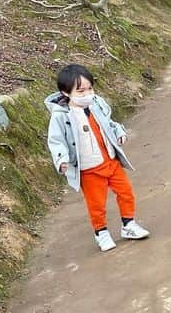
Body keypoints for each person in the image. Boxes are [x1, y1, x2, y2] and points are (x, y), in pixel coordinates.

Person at [45, 64, 149, 252]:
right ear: (66, 92)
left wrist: (119, 131)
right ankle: (101, 233)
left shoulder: (97, 105)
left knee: (126, 193)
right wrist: (61, 160)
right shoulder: (61, 116)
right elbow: (56, 140)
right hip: (89, 169)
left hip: (110, 160)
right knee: (96, 204)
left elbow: (109, 123)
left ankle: (129, 224)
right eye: (81, 90)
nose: (87, 94)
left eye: (89, 88)